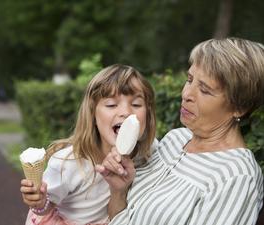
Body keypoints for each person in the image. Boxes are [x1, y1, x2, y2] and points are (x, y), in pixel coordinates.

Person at [97, 37, 264, 225]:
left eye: (205, 90)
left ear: (239, 107)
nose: (186, 94)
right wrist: (119, 191)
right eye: (189, 80)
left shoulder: (236, 177)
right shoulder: (174, 139)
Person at [20, 64, 157, 225]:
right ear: (92, 114)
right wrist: (39, 201)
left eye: (136, 105)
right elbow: (46, 207)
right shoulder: (68, 163)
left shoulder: (150, 151)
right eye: (112, 105)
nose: (126, 112)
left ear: (147, 114)